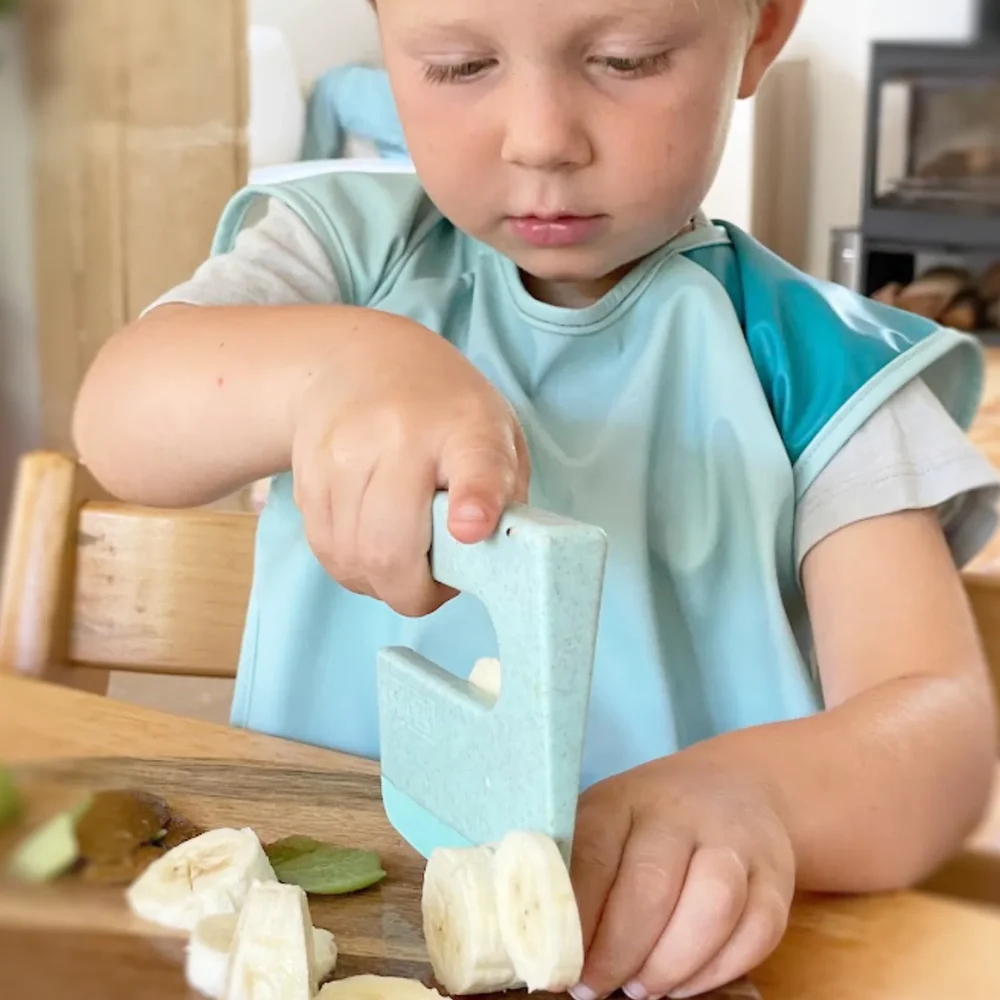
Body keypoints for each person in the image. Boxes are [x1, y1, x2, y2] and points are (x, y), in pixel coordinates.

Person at [73, 0, 999, 996]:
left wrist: (760, 798)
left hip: (655, 959)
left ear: (761, 28)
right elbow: (119, 421)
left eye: (625, 59)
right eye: (461, 65)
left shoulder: (823, 368)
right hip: (315, 938)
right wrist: (334, 369)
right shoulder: (337, 258)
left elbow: (936, 730)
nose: (541, 139)